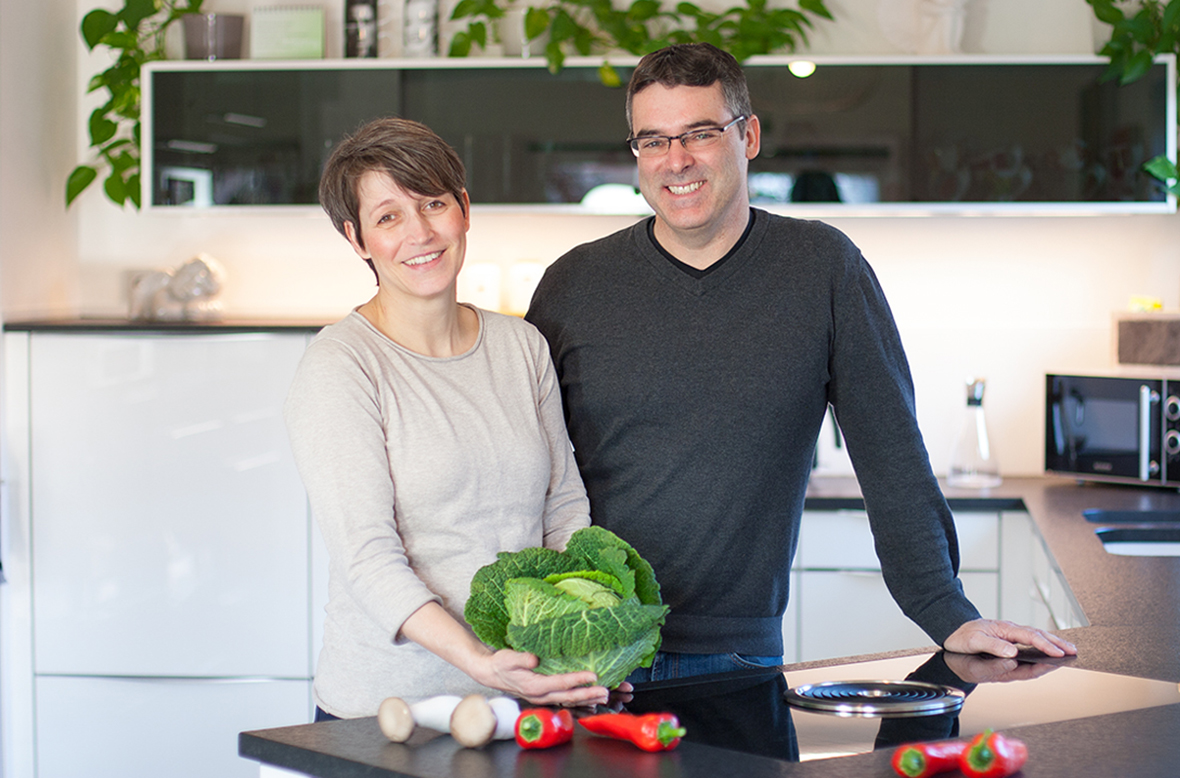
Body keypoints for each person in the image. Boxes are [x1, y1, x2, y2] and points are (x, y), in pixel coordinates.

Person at [524, 43, 1076, 682]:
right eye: (653, 141)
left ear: (749, 136)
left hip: (733, 654)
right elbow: (523, 465)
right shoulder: (574, 284)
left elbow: (890, 452)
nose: (676, 160)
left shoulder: (823, 269)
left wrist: (945, 609)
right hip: (585, 651)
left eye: (700, 133)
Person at [285, 117, 610, 720]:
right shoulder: (342, 365)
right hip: (390, 712)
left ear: (463, 208)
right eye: (388, 217)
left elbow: (563, 509)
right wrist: (480, 662)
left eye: (433, 203)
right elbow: (367, 557)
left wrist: (578, 644)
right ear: (358, 239)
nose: (420, 233)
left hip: (521, 699)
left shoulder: (522, 347)